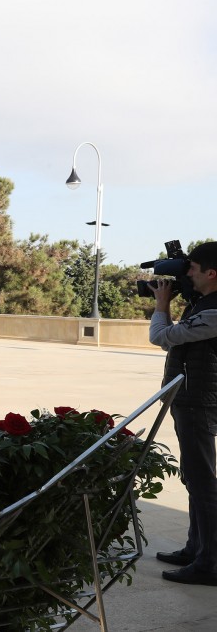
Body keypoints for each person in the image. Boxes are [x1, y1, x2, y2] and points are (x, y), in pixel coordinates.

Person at [149, 241, 217, 586]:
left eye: (191, 269)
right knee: (195, 476)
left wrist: (162, 305)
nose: (186, 275)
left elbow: (161, 336)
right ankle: (196, 548)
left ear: (211, 273)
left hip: (199, 402)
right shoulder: (203, 304)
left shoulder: (213, 312)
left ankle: (210, 563)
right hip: (191, 398)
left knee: (203, 481)